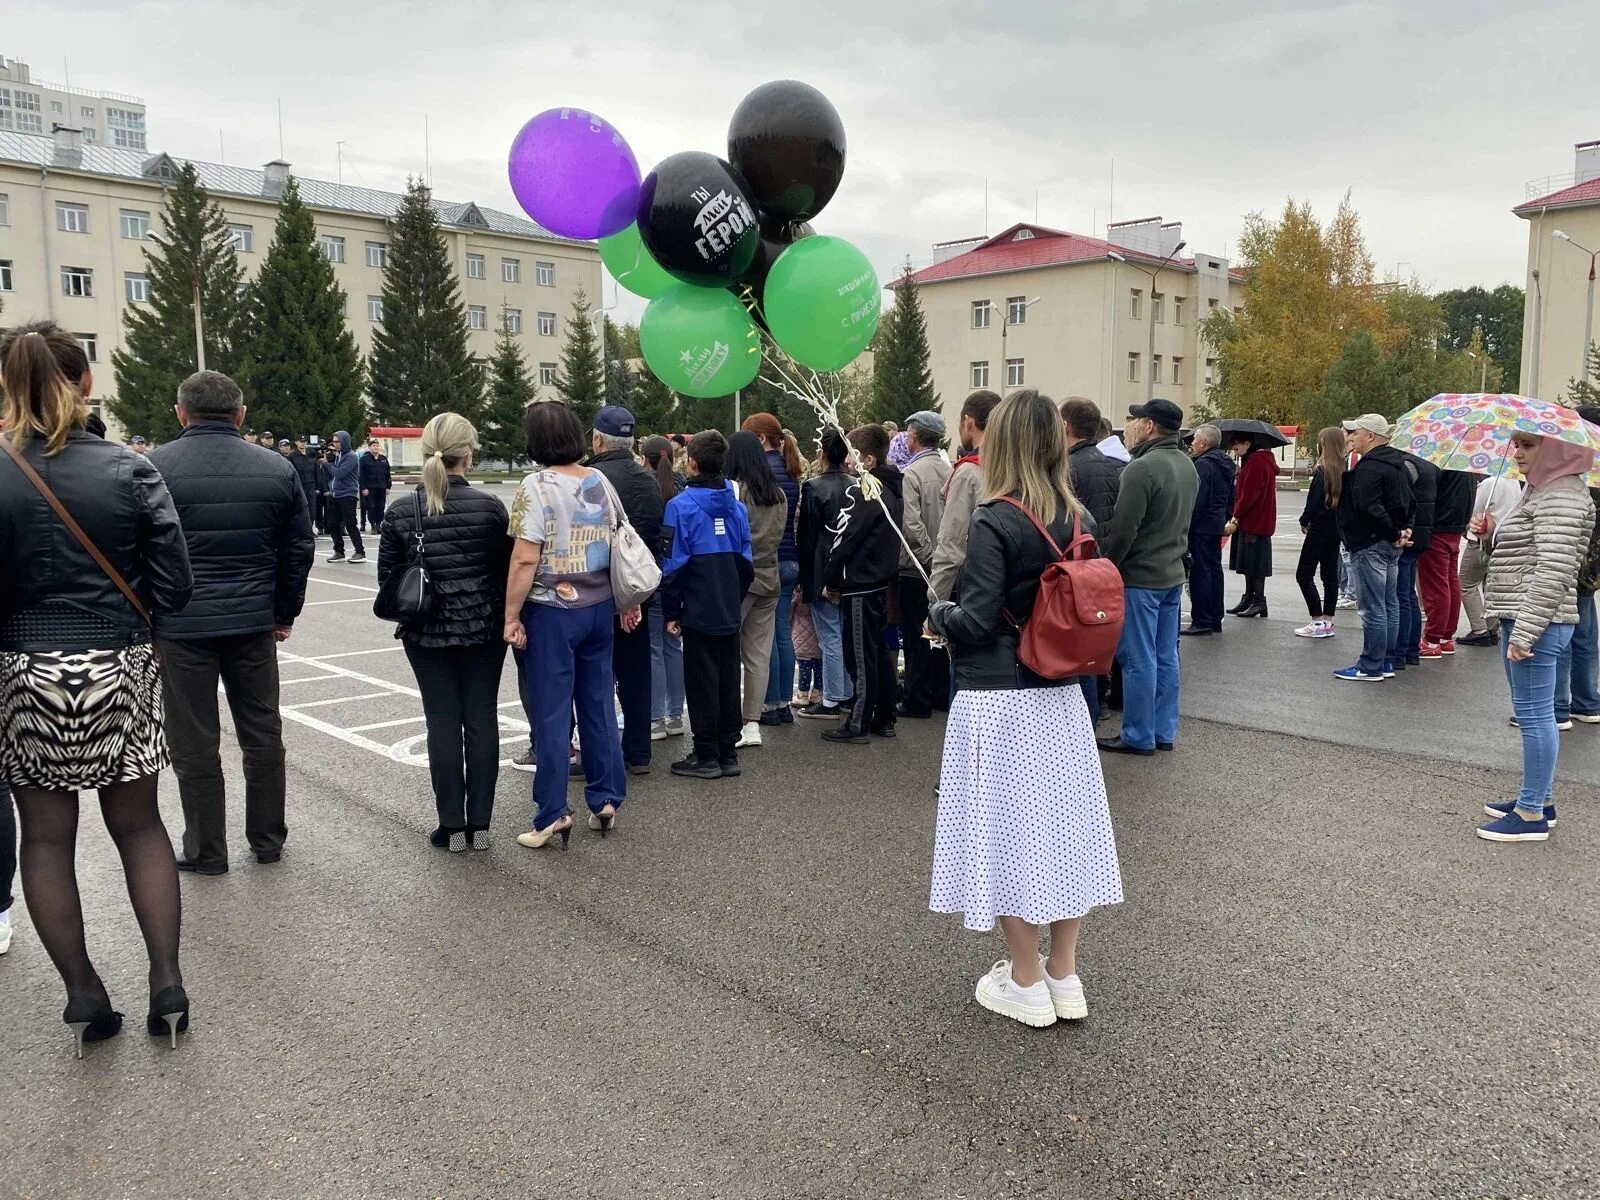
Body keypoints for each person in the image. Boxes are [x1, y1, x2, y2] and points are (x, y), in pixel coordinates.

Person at [0, 321, 194, 1054]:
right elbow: (175, 586)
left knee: (46, 838)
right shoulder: (130, 468)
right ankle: (167, 984)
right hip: (118, 661)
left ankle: (84, 994)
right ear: (85, 383)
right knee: (140, 827)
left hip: (23, 667)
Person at [927, 387, 1123, 1027]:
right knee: (1063, 833)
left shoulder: (996, 517)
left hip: (998, 699)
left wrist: (939, 613)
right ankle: (1064, 975)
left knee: (1003, 835)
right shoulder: (1076, 516)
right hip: (1062, 695)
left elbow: (978, 621)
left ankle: (1025, 977)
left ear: (1001, 442)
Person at [149, 371, 313, 875]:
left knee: (193, 740)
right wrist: (282, 613)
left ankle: (206, 850)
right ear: (240, 415)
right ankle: (268, 841)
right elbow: (299, 549)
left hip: (180, 627)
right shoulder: (276, 469)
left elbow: (138, 550)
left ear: (182, 413)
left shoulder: (152, 468)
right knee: (262, 731)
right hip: (252, 623)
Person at [379, 413, 510, 852]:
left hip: (426, 631)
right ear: (468, 455)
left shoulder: (401, 510)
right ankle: (483, 824)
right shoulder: (490, 507)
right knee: (481, 719)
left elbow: (389, 581)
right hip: (483, 628)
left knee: (441, 723)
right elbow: (505, 571)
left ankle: (451, 825)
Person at [1475, 431, 1596, 841]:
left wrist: (1525, 632)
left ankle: (1530, 814)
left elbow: (1554, 570)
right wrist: (1488, 534)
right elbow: (1522, 557)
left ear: (1558, 449)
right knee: (1534, 714)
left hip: (1538, 621)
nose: (1518, 452)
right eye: (1517, 444)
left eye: (1528, 445)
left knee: (1535, 716)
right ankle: (1538, 799)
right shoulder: (1542, 490)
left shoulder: (1561, 494)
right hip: (1529, 616)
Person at [1097, 398, 1199, 755]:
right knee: (1166, 655)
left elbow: (1124, 530)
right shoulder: (1186, 464)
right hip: (1172, 571)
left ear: (1150, 426)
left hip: (1140, 577)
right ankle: (1162, 729)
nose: (1131, 426)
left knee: (1138, 658)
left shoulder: (1141, 469)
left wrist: (1107, 566)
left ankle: (1138, 734)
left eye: (1136, 420)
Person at [659, 431, 754, 779]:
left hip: (697, 603)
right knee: (729, 675)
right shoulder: (737, 507)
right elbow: (747, 562)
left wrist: (672, 611)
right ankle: (728, 751)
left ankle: (706, 753)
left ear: (693, 463)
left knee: (701, 679)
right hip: (728, 599)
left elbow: (673, 564)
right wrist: (734, 596)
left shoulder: (679, 507)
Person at [585, 407, 664, 774]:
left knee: (597, 673)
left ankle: (600, 755)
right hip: (637, 586)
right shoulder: (647, 479)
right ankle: (639, 751)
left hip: (599, 587)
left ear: (598, 439)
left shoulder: (591, 478)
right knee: (636, 670)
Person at [822, 424, 905, 744]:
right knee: (877, 651)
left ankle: (858, 722)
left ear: (868, 459)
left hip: (860, 581)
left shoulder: (865, 489)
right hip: (880, 578)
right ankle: (884, 715)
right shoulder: (892, 486)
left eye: (853, 455)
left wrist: (831, 577)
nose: (846, 461)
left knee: (859, 654)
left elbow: (846, 537)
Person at [1333, 415, 1414, 682]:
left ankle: (1371, 664)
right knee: (1390, 603)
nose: (1350, 437)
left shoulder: (1370, 468)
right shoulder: (1398, 464)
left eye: (1355, 432)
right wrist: (1403, 530)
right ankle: (1387, 660)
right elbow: (1409, 502)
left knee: (1373, 607)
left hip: (1370, 543)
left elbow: (1368, 506)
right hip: (1390, 543)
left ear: (1370, 435)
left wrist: (1394, 532)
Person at [742, 413, 805, 725]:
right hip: (791, 557)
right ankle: (783, 703)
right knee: (783, 634)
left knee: (762, 640)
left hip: (768, 560)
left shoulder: (760, 473)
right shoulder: (791, 471)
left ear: (761, 439)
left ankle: (768, 704)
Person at [726, 430, 786, 749]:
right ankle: (752, 724)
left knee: (727, 651)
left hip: (741, 578)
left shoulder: (737, 494)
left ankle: (731, 719)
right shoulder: (778, 493)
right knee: (758, 655)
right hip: (770, 577)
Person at [896, 410, 952, 718]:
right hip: (947, 565)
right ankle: (941, 692)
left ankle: (916, 697)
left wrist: (929, 558)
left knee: (916, 633)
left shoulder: (912, 474)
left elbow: (912, 525)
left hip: (918, 566)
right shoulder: (950, 469)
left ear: (914, 437)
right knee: (942, 632)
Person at [795, 429, 855, 720]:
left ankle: (832, 697)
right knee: (845, 633)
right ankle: (845, 692)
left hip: (821, 566)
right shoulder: (857, 485)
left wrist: (805, 578)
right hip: (851, 569)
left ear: (822, 453)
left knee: (829, 635)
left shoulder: (813, 487)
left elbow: (807, 537)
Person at [930, 390, 1001, 606]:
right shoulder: (1016, 467)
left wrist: (935, 601)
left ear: (968, 422)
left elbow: (952, 545)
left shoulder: (968, 472)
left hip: (975, 589)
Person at [641, 435, 686, 740]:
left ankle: (655, 717)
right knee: (673, 645)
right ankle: (675, 715)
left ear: (644, 458)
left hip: (652, 574)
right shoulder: (681, 488)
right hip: (678, 576)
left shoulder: (644, 488)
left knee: (653, 647)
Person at [1561, 405, 1600, 724]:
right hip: (1592, 567)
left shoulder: (1579, 476)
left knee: (1558, 633)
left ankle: (1557, 705)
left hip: (1570, 561)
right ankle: (1587, 701)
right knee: (1585, 633)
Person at [1183, 423, 1235, 636]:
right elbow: (1232, 495)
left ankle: (1202, 619)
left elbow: (1197, 497)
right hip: (1215, 522)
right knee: (1214, 570)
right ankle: (1215, 617)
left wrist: (1187, 521)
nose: (1192, 444)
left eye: (1195, 439)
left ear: (1203, 443)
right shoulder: (1225, 464)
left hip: (1201, 524)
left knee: (1200, 571)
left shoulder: (1203, 465)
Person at [1293, 427, 1346, 639]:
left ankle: (1316, 620)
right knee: (1329, 574)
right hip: (1336, 526)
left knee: (1304, 574)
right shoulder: (1344, 469)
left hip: (1319, 525)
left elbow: (1313, 501)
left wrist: (1304, 520)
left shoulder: (1321, 470)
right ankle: (1327, 620)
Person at [1459, 475, 1523, 646]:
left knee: (1466, 584)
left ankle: (1479, 629)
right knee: (1490, 581)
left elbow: (1474, 509)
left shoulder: (1489, 483)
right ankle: (1492, 625)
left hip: (1480, 540)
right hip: (1502, 539)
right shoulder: (1516, 482)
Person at [1420, 468, 1474, 656]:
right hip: (1456, 525)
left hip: (1438, 525)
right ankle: (1445, 636)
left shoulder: (1444, 462)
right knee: (1450, 580)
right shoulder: (1468, 467)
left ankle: (1432, 638)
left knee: (1436, 584)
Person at [1395, 446, 1440, 667]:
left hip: (1410, 534)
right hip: (1423, 532)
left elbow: (1402, 501)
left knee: (1401, 594)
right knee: (1408, 595)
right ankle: (1411, 649)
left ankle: (1401, 651)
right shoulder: (1428, 465)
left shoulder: (1407, 466)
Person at [1225, 434, 1278, 619]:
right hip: (1254, 521)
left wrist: (1236, 515)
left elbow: (1249, 494)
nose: (1234, 449)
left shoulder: (1256, 461)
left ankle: (1259, 600)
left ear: (1248, 444)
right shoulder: (1254, 460)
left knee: (1255, 564)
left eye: (1237, 445)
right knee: (1249, 562)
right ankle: (1250, 597)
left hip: (1255, 521)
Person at [1060, 399, 1125, 533]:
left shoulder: (1066, 469)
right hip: (1100, 550)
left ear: (1064, 426)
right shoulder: (1109, 463)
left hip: (1079, 550)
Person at [324, 430, 365, 562]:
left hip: (347, 494)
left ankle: (360, 551)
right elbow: (332, 475)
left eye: (337, 441)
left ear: (344, 442)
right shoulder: (338, 456)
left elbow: (340, 473)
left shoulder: (351, 456)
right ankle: (339, 551)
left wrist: (326, 464)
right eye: (333, 441)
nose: (334, 444)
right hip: (335, 494)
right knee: (332, 523)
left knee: (350, 523)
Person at [360, 438, 392, 533]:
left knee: (381, 506)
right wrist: (363, 488)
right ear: (369, 447)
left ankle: (379, 524)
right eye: (374, 446)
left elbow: (387, 474)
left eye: (377, 446)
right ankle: (373, 525)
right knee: (372, 506)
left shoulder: (383, 459)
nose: (376, 447)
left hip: (381, 487)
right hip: (370, 487)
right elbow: (361, 475)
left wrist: (388, 486)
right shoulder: (364, 459)